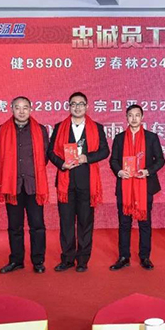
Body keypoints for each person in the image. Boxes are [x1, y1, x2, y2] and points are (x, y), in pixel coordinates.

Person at [48, 92, 109, 273]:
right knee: (66, 222)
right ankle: (67, 259)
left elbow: (105, 151)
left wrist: (86, 158)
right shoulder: (59, 127)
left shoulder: (97, 127)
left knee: (85, 222)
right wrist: (62, 163)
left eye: (81, 104)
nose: (77, 107)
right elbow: (50, 152)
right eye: (73, 104)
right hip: (65, 183)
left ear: (87, 106)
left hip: (87, 182)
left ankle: (82, 260)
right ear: (69, 107)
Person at [0, 96, 50, 274]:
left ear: (31, 109)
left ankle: (38, 261)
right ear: (11, 109)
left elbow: (45, 156)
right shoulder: (1, 130)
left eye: (25, 107)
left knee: (37, 225)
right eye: (17, 107)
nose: (21, 111)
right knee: (15, 226)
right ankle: (16, 260)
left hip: (34, 185)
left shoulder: (40, 130)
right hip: (12, 186)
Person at [109, 104, 165, 271]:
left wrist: (148, 171)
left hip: (144, 186)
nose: (134, 118)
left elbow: (160, 160)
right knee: (124, 223)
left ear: (142, 117)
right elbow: (113, 160)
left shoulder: (151, 137)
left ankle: (145, 257)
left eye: (137, 115)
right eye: (130, 115)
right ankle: (124, 256)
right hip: (125, 186)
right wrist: (119, 171)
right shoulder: (119, 138)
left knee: (144, 223)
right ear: (126, 117)